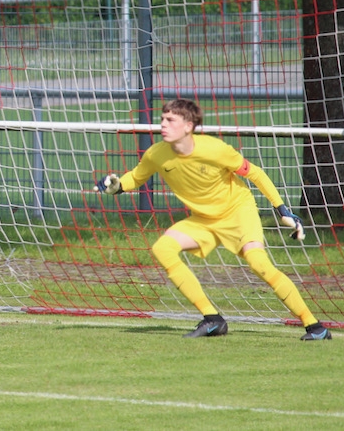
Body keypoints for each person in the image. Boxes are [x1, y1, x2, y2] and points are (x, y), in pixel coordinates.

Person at [94, 98, 331, 341]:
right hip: (204, 220)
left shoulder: (214, 149)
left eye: (170, 120)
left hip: (238, 212)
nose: (163, 124)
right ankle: (213, 319)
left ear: (188, 126)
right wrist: (116, 185)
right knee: (163, 247)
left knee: (258, 264)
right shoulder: (157, 153)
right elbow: (135, 177)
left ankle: (314, 326)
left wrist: (282, 209)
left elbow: (256, 174)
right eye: (163, 118)